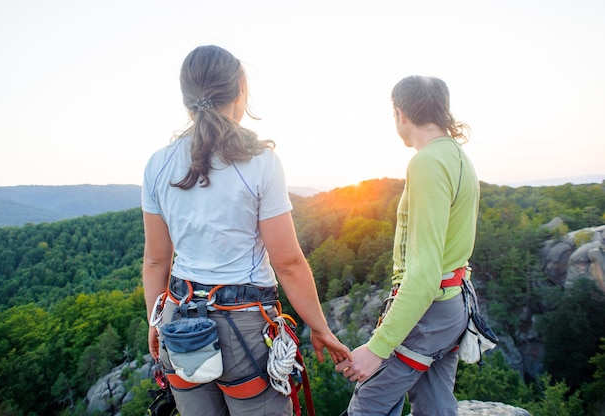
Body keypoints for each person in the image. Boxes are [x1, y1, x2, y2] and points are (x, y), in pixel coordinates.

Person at [142, 45, 351, 416]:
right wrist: (320, 327)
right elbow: (287, 262)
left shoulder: (158, 165)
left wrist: (154, 322)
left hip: (180, 321)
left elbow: (157, 258)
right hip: (245, 326)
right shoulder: (260, 162)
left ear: (185, 98)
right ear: (240, 91)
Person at [335, 75, 480, 415]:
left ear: (400, 114)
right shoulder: (457, 157)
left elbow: (424, 273)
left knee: (369, 404)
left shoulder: (427, 162)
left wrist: (378, 347)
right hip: (453, 306)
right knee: (435, 404)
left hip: (428, 311)